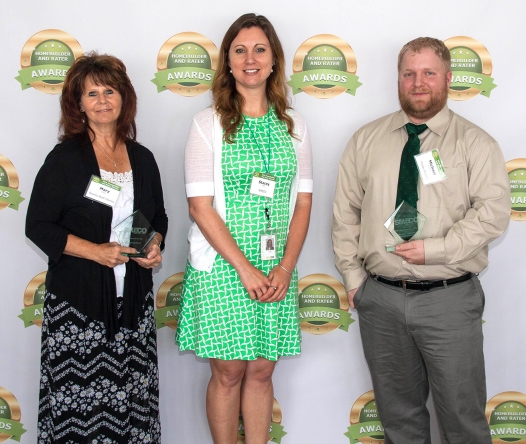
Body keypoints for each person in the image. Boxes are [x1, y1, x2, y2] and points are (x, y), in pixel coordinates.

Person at [332, 37, 510, 444]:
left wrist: (437, 249)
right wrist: (354, 281)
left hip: (448, 300)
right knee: (400, 423)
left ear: (447, 79)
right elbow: (345, 214)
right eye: (409, 73)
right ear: (398, 79)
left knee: (462, 422)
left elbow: (492, 213)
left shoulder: (476, 144)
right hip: (381, 301)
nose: (418, 83)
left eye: (429, 73)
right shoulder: (366, 139)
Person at [175, 13, 312, 444]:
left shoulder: (295, 125)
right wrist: (245, 269)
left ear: (274, 61)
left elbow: (303, 202)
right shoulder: (207, 123)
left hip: (276, 269)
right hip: (223, 267)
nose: (250, 59)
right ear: (228, 62)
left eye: (259, 49)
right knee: (231, 370)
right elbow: (200, 207)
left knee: (262, 368)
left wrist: (285, 269)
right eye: (240, 50)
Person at [26, 52, 167, 443]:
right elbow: (37, 226)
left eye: (110, 90)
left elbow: (159, 220)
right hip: (79, 309)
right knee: (81, 415)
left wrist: (154, 246)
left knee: (133, 411)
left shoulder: (143, 158)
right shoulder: (65, 160)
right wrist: (95, 251)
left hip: (134, 309)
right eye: (92, 93)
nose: (103, 100)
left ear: (124, 98)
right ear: (78, 104)